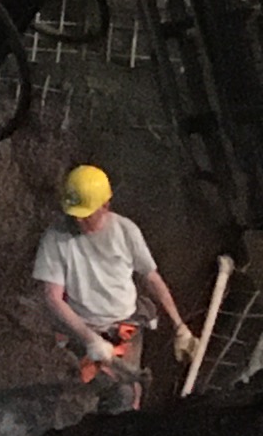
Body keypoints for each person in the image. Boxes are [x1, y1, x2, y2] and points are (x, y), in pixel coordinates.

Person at [33, 165, 185, 409]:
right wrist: (90, 339)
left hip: (127, 325)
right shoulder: (57, 237)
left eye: (86, 213)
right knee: (112, 393)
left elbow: (152, 278)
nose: (79, 219)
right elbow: (52, 298)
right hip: (83, 327)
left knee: (131, 390)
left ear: (105, 205)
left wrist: (179, 326)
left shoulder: (126, 231)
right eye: (75, 213)